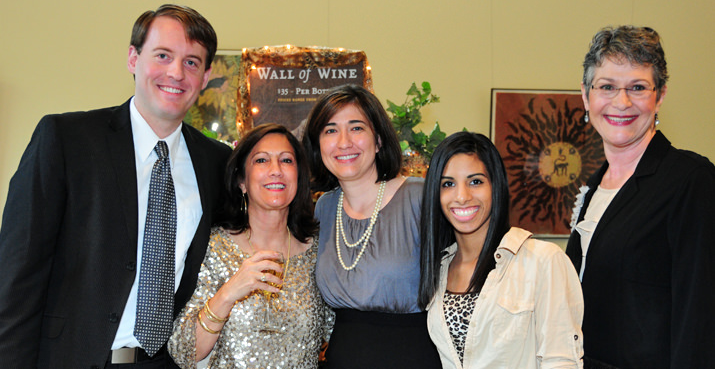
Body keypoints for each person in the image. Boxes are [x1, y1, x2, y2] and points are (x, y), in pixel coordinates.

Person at [0, 4, 232, 368]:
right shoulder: (66, 141)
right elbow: (16, 278)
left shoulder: (217, 163)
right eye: (163, 55)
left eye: (191, 62)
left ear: (205, 78)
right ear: (132, 58)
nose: (176, 72)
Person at [565, 25, 715, 369]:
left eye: (637, 87)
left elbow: (701, 313)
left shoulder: (690, 180)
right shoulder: (594, 186)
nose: (622, 102)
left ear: (659, 96)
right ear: (586, 97)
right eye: (607, 87)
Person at [168, 123, 333, 368]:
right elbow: (184, 353)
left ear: (298, 178)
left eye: (286, 161)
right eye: (261, 161)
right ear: (241, 182)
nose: (276, 170)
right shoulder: (212, 246)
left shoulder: (321, 252)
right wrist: (228, 293)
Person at [302, 84, 441, 368]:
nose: (343, 142)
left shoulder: (419, 197)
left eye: (356, 128)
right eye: (330, 130)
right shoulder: (325, 208)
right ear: (318, 145)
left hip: (412, 358)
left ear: (378, 140)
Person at [418, 131, 584, 369]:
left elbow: (561, 361)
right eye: (448, 184)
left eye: (475, 181)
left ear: (496, 186)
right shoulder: (440, 268)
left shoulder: (543, 261)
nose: (462, 196)